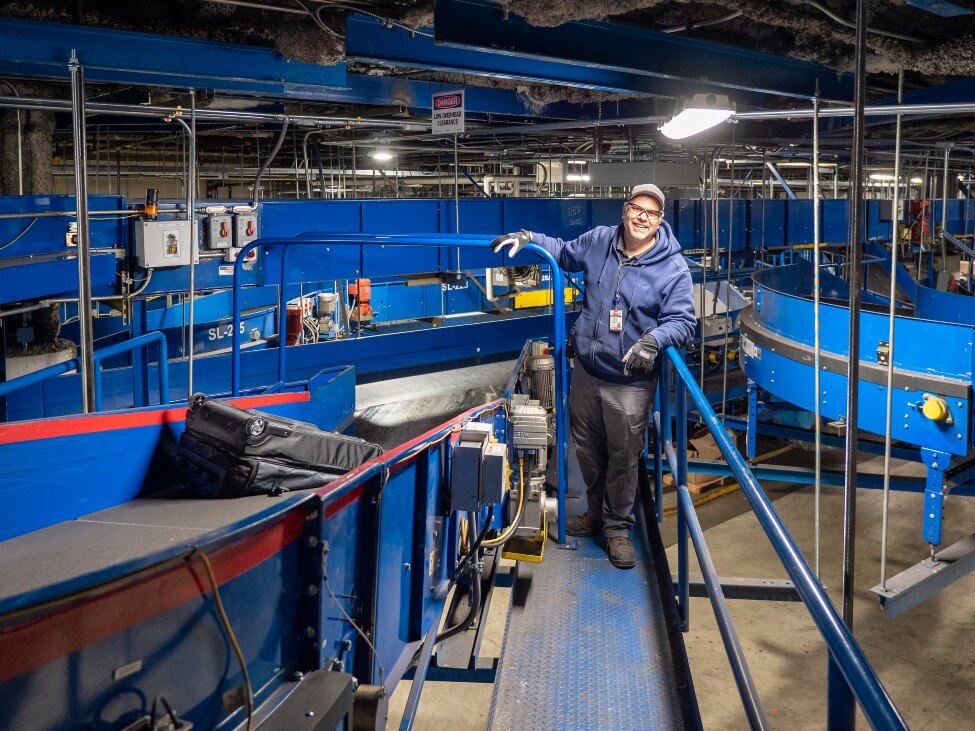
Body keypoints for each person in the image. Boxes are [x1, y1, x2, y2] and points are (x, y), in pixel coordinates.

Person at [492, 184, 696, 568]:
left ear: (660, 220)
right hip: (586, 371)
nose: (642, 218)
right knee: (587, 449)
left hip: (630, 382)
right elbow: (563, 251)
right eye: (637, 208)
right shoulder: (600, 240)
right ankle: (595, 512)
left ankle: (617, 529)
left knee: (623, 455)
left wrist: (655, 339)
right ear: (625, 209)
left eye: (651, 213)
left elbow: (684, 321)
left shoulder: (672, 268)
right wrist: (529, 238)